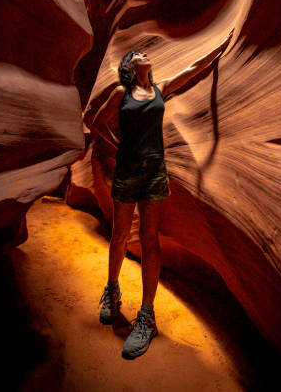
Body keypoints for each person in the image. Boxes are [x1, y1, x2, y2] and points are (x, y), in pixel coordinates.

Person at [91, 33, 233, 359]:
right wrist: (118, 146)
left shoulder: (160, 88)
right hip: (128, 171)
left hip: (154, 171)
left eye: (144, 53)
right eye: (138, 54)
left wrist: (222, 43)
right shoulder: (120, 92)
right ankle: (112, 292)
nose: (144, 54)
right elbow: (95, 122)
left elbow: (195, 68)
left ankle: (147, 316)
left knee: (150, 238)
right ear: (130, 66)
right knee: (119, 235)